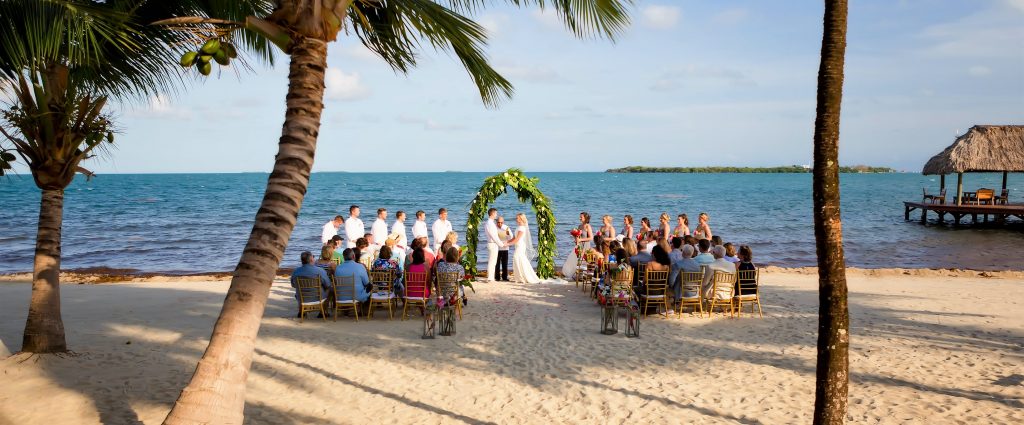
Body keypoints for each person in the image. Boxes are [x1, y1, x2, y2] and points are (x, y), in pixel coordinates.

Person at [509, 213, 541, 284]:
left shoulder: (522, 228)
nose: (516, 219)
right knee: (519, 259)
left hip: (520, 245)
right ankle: (520, 277)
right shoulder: (518, 227)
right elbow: (514, 238)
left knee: (517, 258)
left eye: (517, 218)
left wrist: (508, 244)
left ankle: (522, 277)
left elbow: (517, 239)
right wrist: (507, 242)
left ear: (521, 219)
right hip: (518, 245)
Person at [484, 208, 504, 282]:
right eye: (496, 213)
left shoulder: (490, 222)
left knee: (493, 261)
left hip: (492, 244)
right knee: (492, 261)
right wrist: (501, 244)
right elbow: (494, 236)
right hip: (492, 244)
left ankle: (491, 277)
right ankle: (490, 278)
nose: (496, 215)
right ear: (492, 214)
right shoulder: (490, 223)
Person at [495, 216, 511, 281]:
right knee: (497, 263)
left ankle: (505, 277)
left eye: (501, 222)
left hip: (505, 247)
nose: (500, 224)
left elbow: (510, 237)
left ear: (503, 222)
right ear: (496, 222)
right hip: (497, 248)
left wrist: (506, 242)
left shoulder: (506, 228)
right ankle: (497, 277)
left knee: (505, 263)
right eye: (498, 222)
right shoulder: (494, 228)